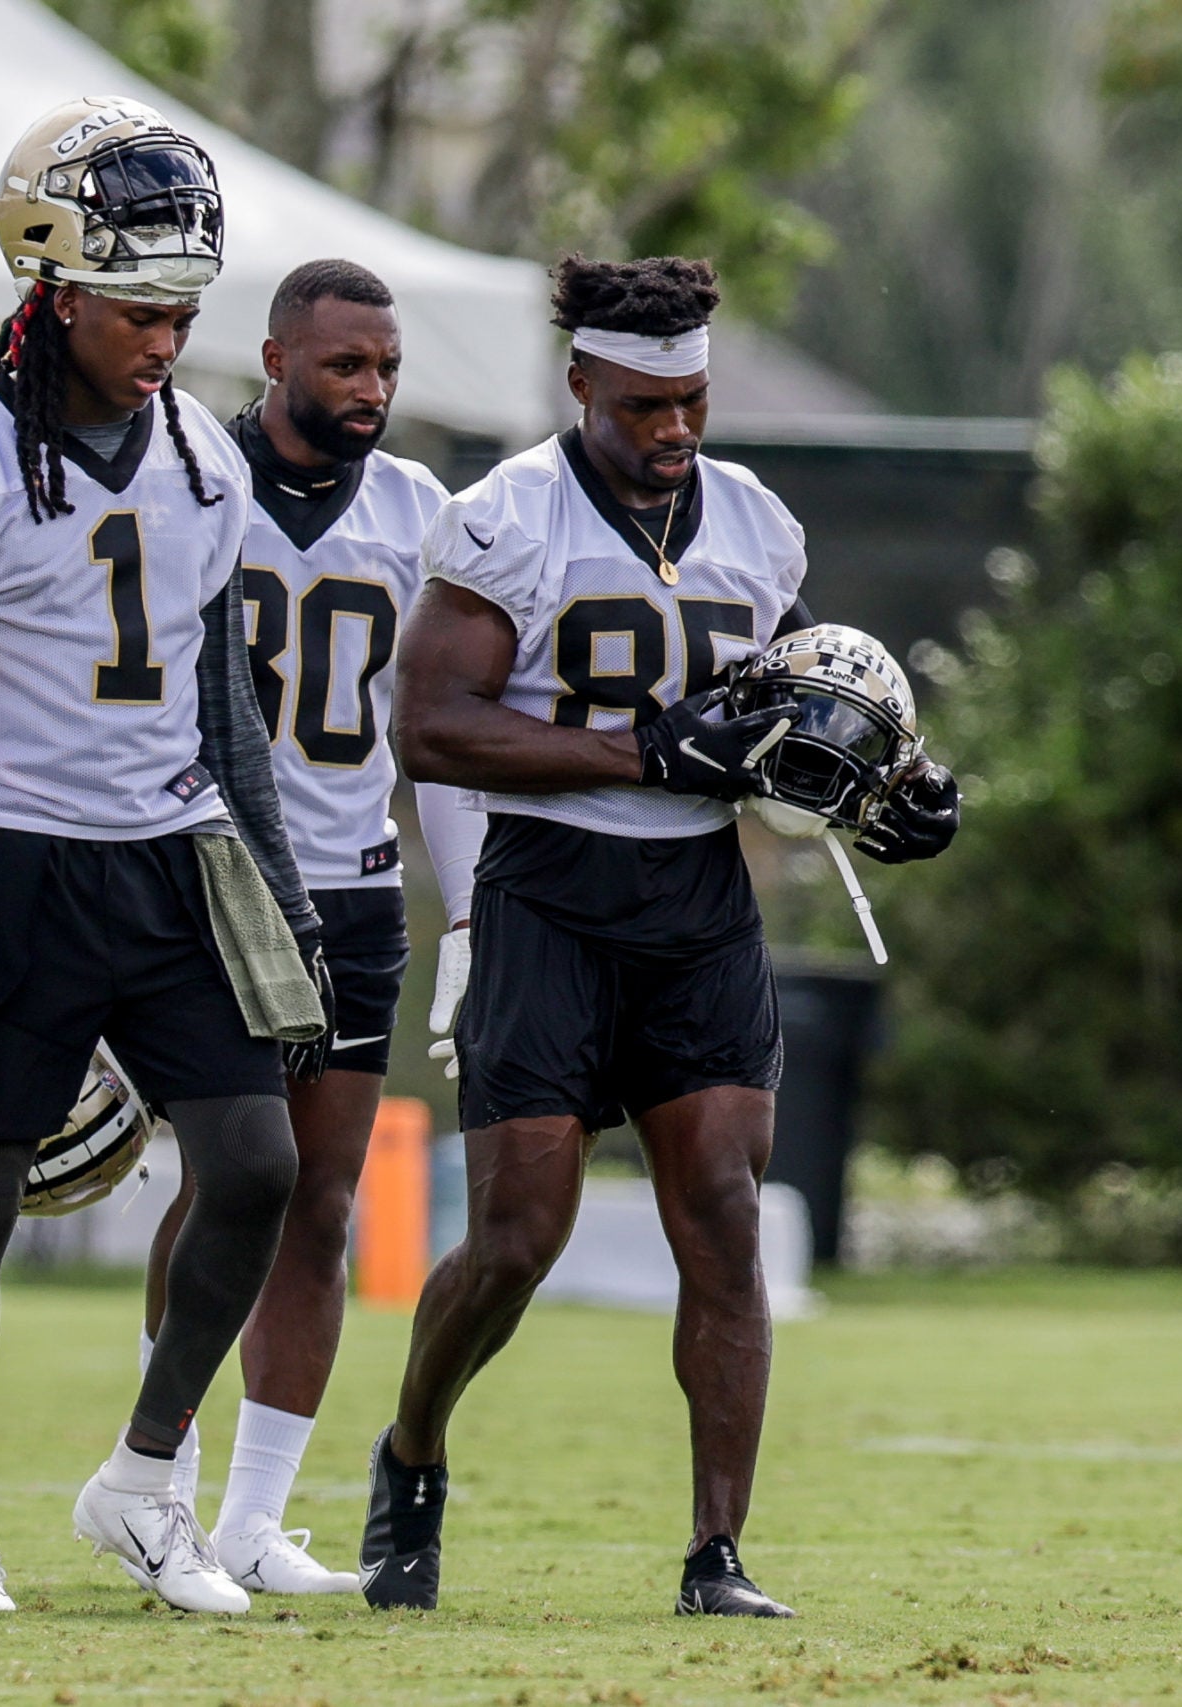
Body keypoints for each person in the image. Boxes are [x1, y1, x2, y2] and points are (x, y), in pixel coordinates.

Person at [361, 254, 961, 1617]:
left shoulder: (751, 521)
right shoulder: (506, 518)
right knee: (518, 1233)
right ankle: (413, 1451)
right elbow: (433, 728)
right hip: (551, 896)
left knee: (724, 1215)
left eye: (689, 400)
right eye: (642, 406)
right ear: (581, 385)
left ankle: (716, 1554)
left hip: (697, 909)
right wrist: (639, 749)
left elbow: (799, 689)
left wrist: (897, 782)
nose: (673, 429)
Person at [0, 97, 331, 1617]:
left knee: (257, 1165)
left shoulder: (206, 464)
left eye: (181, 309)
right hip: (8, 866)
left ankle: (138, 1479)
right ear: (51, 292)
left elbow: (227, 704)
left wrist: (289, 892)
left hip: (170, 856)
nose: (164, 338)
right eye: (134, 308)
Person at [137, 259, 484, 1595]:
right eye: (345, 364)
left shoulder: (419, 513)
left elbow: (437, 739)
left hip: (351, 884)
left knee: (323, 1199)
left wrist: (462, 914)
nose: (372, 390)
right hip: (212, 878)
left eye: (387, 368)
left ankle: (251, 1520)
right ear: (276, 357)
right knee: (231, 1179)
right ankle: (150, 1484)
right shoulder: (184, 483)